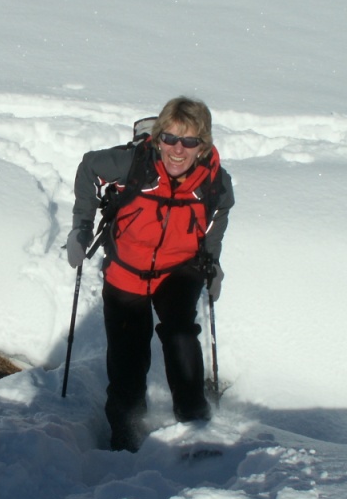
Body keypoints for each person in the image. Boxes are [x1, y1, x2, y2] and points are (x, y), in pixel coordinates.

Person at [66, 97, 235, 451]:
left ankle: (194, 423)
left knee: (180, 335)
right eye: (170, 138)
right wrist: (80, 229)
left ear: (203, 146)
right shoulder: (133, 164)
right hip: (127, 268)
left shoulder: (215, 183)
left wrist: (213, 263)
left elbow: (218, 217)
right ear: (157, 138)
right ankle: (126, 438)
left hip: (179, 268)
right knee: (128, 359)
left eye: (189, 141)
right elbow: (88, 168)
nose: (178, 149)